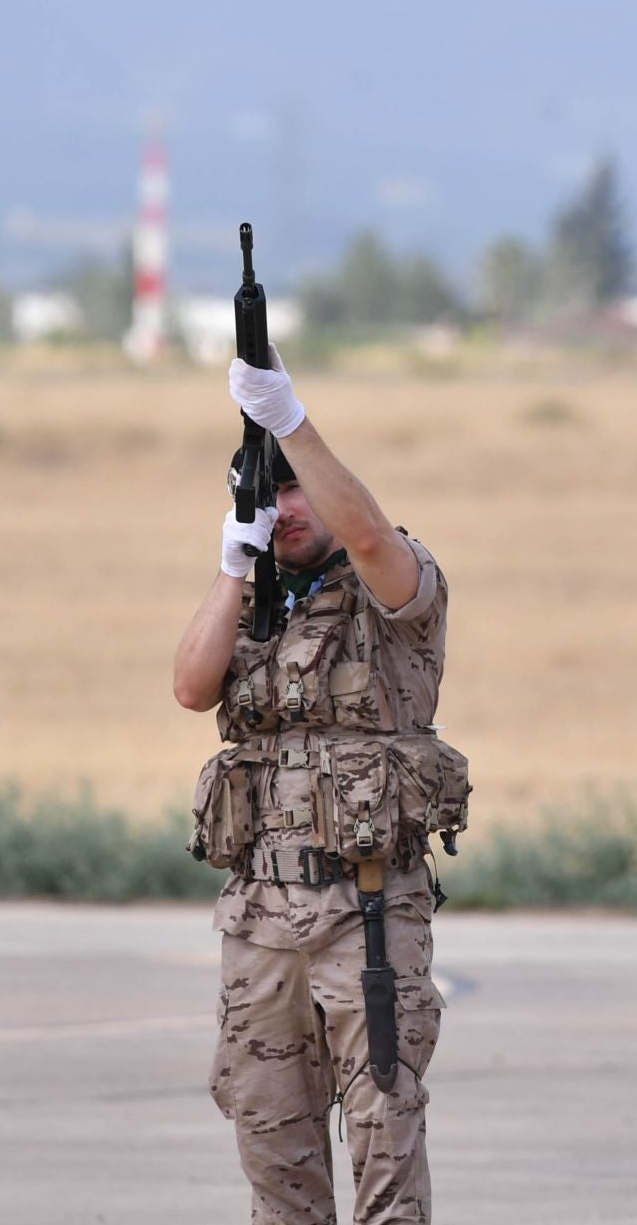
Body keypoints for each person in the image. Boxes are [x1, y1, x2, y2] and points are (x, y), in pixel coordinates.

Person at [172, 345, 469, 1225]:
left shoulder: (395, 586)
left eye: (294, 488)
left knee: (384, 1139)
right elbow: (191, 686)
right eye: (264, 493)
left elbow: (370, 536)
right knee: (272, 1148)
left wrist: (289, 419)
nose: (283, 508)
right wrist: (234, 567)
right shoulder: (251, 597)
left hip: (367, 916)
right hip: (260, 921)